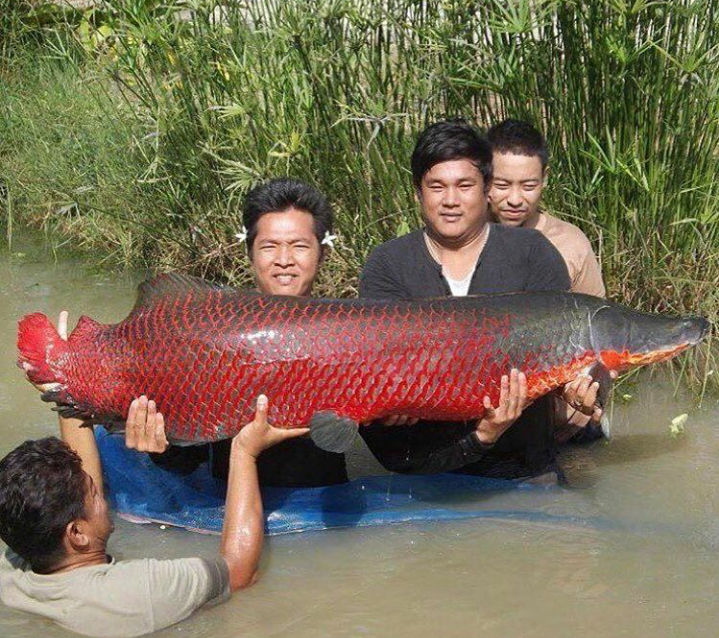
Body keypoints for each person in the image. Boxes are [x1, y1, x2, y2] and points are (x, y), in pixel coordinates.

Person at [0, 312, 307, 637]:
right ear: (76, 535)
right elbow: (240, 572)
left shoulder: (14, 568)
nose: (97, 484)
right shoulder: (134, 594)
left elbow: (78, 491)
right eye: (93, 490)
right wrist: (244, 451)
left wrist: (63, 388)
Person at [358, 119, 605, 480]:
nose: (451, 201)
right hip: (427, 468)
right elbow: (378, 362)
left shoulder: (533, 253)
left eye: (465, 186)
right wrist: (389, 403)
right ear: (418, 191)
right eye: (436, 187)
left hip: (522, 467)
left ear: (486, 189)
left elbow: (568, 350)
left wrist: (581, 390)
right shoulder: (387, 264)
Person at [150, 177, 349, 487]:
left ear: (322, 253)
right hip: (228, 505)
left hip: (328, 510)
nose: (284, 261)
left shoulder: (349, 334)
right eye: (269, 247)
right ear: (250, 252)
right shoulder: (211, 336)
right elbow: (187, 462)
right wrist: (159, 444)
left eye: (299, 246)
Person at [487, 118, 606, 298]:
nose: (515, 200)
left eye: (528, 186)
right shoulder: (461, 239)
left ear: (545, 178)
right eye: (502, 185)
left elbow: (595, 319)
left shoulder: (570, 244)